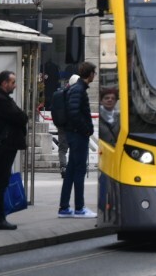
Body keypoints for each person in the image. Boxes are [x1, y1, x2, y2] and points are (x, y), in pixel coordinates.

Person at [0, 70, 29, 230]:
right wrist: (21, 117)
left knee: (2, 181)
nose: (15, 85)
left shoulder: (2, 98)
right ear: (4, 83)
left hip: (7, 144)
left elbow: (20, 116)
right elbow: (21, 117)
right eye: (12, 82)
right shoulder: (0, 100)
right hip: (5, 145)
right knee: (1, 181)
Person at [58, 61, 97, 218]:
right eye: (94, 72)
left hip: (75, 134)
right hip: (78, 136)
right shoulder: (79, 90)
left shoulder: (77, 89)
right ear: (90, 74)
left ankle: (64, 208)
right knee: (79, 172)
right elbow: (74, 113)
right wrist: (86, 130)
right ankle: (79, 208)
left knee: (71, 172)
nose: (95, 75)